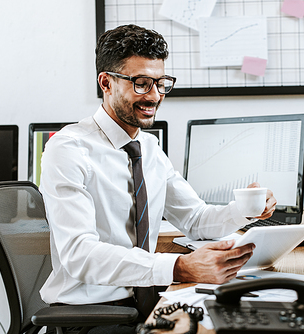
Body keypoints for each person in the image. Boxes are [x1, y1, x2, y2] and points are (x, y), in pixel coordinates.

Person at [39, 24, 277, 328]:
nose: (154, 96)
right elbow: (78, 253)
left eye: (160, 82)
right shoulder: (69, 148)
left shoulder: (148, 147)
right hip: (92, 314)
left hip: (149, 301)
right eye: (141, 83)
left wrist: (245, 211)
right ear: (106, 83)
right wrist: (179, 267)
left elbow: (194, 218)